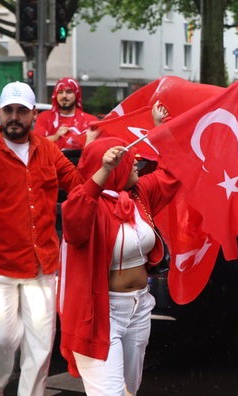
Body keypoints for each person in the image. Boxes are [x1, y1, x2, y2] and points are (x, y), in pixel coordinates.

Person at [0, 81, 84, 395]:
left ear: (33, 114)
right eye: (9, 110)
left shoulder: (48, 149)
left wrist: (102, 160)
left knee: (40, 344)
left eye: (21, 110)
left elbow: (78, 185)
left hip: (42, 266)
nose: (14, 116)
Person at [58, 105, 179, 395]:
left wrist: (162, 131)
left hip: (140, 307)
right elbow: (73, 220)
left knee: (130, 390)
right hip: (100, 314)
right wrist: (104, 169)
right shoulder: (90, 203)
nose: (136, 163)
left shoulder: (138, 195)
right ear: (113, 168)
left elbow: (172, 173)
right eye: (129, 160)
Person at [34, 77, 99, 150]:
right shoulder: (44, 117)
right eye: (60, 92)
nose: (64, 96)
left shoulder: (90, 121)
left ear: (76, 94)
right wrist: (55, 137)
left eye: (69, 92)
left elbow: (98, 149)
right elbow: (35, 144)